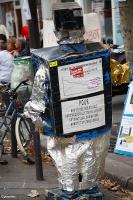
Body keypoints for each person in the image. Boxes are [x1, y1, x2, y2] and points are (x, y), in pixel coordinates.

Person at [24, 2, 112, 199]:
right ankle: (89, 189)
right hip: (97, 127)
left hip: (67, 133)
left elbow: (36, 105)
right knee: (91, 164)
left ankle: (70, 192)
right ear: (82, 29)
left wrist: (35, 118)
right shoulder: (99, 54)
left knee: (68, 166)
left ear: (57, 32)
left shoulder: (46, 66)